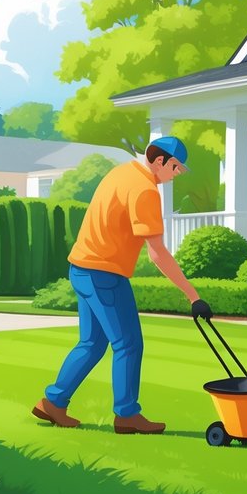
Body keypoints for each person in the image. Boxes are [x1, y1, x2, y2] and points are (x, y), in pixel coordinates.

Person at [32, 135, 213, 435]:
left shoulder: (122, 172)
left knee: (91, 344)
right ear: (159, 161)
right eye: (176, 167)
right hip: (105, 274)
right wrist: (193, 296)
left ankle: (54, 401)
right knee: (128, 344)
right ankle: (127, 414)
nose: (178, 173)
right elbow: (157, 253)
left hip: (81, 268)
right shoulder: (145, 190)